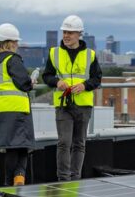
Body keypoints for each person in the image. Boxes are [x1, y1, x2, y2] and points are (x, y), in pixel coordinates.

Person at [43, 15, 101, 181]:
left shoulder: (90, 54)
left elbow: (97, 79)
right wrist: (56, 81)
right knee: (64, 142)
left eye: (70, 32)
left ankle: (75, 178)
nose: (66, 35)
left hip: (83, 104)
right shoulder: (54, 53)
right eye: (64, 32)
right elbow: (46, 76)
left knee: (79, 144)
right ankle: (64, 179)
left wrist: (84, 86)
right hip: (63, 104)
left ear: (79, 34)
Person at [0, 23, 36, 186]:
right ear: (10, 43)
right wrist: (31, 81)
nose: (17, 45)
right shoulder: (12, 59)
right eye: (16, 42)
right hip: (17, 108)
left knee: (11, 147)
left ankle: (13, 180)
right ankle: (16, 179)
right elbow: (24, 83)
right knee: (21, 145)